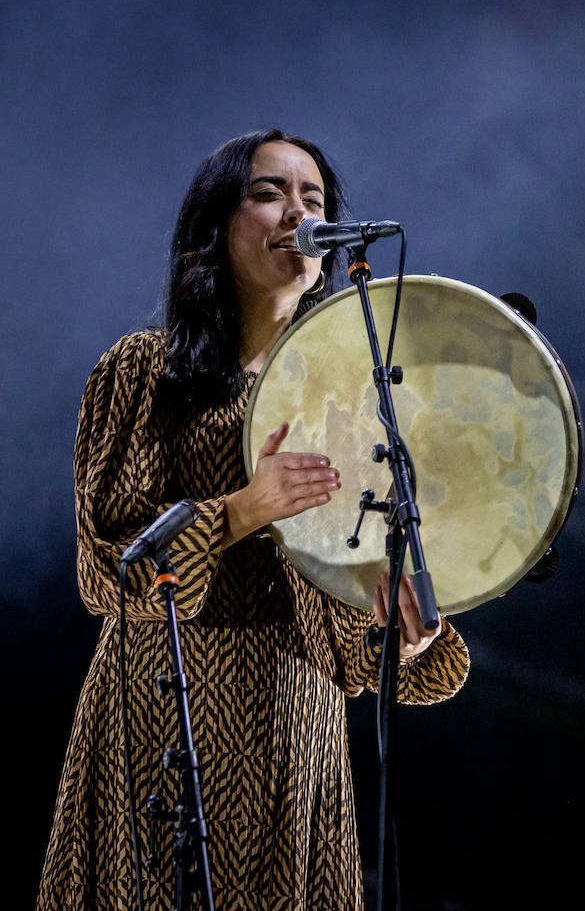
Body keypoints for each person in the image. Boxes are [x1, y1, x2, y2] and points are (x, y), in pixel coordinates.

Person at [37, 130, 471, 910]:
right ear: (214, 227)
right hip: (162, 707)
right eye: (270, 192)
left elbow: (348, 629)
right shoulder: (141, 372)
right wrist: (245, 508)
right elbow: (109, 573)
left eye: (314, 200)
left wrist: (400, 636)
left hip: (295, 726)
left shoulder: (353, 404)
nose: (297, 212)